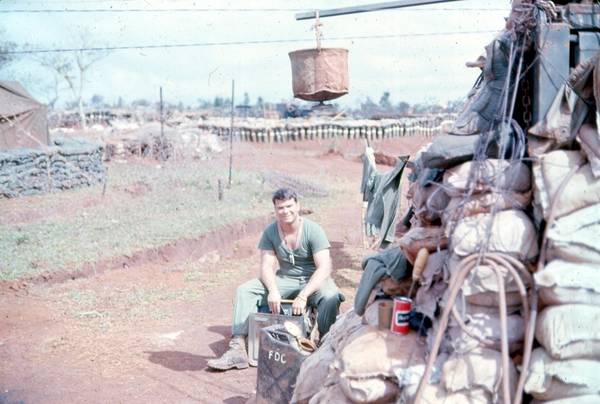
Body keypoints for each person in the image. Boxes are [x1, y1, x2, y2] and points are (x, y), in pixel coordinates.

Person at [207, 188, 344, 371]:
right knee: (245, 290)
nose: (285, 211)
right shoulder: (271, 231)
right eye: (280, 207)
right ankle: (237, 349)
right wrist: (272, 290)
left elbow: (324, 268)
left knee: (331, 295)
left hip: (313, 279)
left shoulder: (313, 230)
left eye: (289, 206)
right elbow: (266, 266)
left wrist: (303, 296)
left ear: (298, 206)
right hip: (286, 277)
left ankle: (327, 345)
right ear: (275, 209)